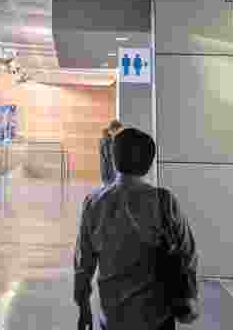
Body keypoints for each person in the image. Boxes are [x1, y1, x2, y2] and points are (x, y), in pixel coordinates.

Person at [75, 127, 200, 329]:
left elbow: (83, 264)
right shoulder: (164, 201)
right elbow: (188, 253)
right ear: (148, 164)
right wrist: (190, 297)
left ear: (114, 159)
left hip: (113, 318)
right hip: (157, 317)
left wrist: (84, 308)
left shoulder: (93, 202)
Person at [99, 119, 122, 185]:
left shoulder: (105, 139)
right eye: (118, 130)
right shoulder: (108, 140)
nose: (119, 132)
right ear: (114, 129)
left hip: (107, 172)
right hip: (109, 173)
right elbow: (108, 157)